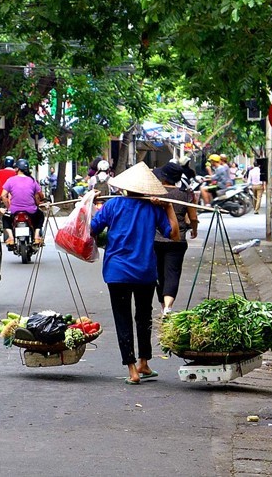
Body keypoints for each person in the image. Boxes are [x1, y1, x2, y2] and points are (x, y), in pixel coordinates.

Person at [90, 161, 179, 385]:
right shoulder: (153, 208)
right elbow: (174, 235)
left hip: (117, 272)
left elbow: (92, 229)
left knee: (123, 318)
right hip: (144, 272)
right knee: (143, 317)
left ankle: (133, 370)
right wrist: (168, 208)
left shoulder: (112, 206)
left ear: (125, 187)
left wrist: (91, 206)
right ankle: (144, 361)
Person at [153, 162, 198, 315]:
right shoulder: (185, 194)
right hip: (177, 240)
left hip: (156, 240)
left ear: (164, 178)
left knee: (159, 273)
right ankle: (168, 307)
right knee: (172, 272)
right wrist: (195, 230)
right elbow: (193, 216)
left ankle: (162, 306)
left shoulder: (156, 193)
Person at [1, 159, 45, 247]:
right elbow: (39, 196)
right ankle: (36, 236)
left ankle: (10, 237)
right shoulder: (32, 181)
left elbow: (3, 196)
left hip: (14, 211)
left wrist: (8, 207)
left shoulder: (10, 180)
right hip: (31, 211)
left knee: (5, 217)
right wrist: (39, 202)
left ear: (17, 169)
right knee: (40, 215)